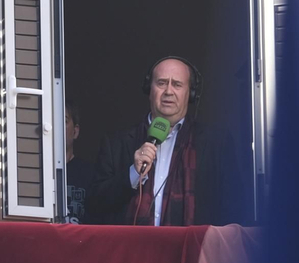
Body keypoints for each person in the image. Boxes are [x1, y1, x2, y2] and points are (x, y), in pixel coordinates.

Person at [86, 55, 239, 227]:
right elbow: (94, 206)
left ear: (191, 94)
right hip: (133, 251)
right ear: (148, 89)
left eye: (177, 84)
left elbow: (233, 209)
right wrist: (133, 174)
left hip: (193, 250)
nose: (168, 91)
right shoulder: (117, 143)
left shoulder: (216, 144)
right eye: (161, 83)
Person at [62, 102, 99, 225]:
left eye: (64, 120)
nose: (57, 126)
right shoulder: (37, 174)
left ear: (75, 131)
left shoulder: (90, 174)